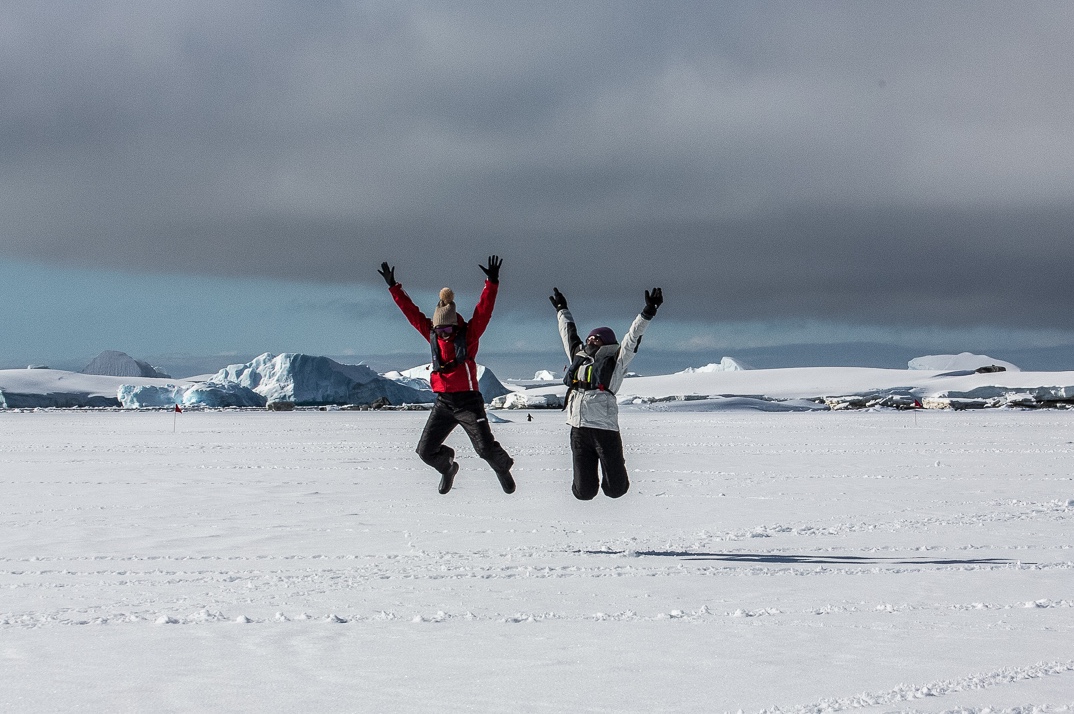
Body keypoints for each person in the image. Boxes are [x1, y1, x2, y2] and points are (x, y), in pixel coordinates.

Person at [378, 256, 515, 495]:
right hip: (443, 403)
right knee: (425, 451)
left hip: (468, 402)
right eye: (439, 330)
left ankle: (502, 467)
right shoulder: (432, 335)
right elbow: (411, 314)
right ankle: (448, 467)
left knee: (484, 449)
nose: (443, 334)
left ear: (455, 326)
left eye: (448, 329)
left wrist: (491, 283)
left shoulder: (469, 337)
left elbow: (484, 312)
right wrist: (394, 287)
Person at [549, 286, 663, 500]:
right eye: (590, 338)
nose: (591, 341)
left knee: (616, 490)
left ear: (607, 342)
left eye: (597, 339)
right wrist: (562, 309)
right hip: (579, 430)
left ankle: (615, 479)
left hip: (604, 429)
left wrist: (647, 312)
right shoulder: (578, 356)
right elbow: (568, 333)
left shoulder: (617, 360)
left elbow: (632, 338)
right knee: (583, 493)